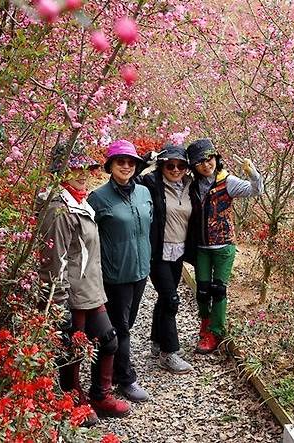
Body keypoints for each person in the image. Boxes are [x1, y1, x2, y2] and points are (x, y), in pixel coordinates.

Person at [37, 143, 130, 423]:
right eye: (74, 168)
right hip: (71, 295)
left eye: (85, 168)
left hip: (91, 291)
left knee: (108, 342)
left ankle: (99, 395)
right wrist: (59, 305)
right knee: (74, 350)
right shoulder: (58, 210)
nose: (82, 173)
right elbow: (54, 260)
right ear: (60, 171)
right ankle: (72, 400)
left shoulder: (80, 201)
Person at [87, 139, 153, 403]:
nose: (126, 166)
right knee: (121, 329)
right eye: (120, 162)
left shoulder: (143, 193)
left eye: (130, 162)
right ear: (110, 165)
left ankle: (112, 368)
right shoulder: (98, 198)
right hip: (114, 276)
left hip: (140, 272)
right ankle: (126, 378)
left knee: (127, 323)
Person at [185, 138, 263, 353]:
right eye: (199, 161)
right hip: (201, 247)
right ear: (193, 165)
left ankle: (216, 331)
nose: (206, 164)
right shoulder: (191, 185)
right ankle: (205, 327)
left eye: (209, 158)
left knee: (218, 290)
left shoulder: (226, 182)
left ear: (215, 158)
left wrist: (253, 173)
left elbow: (255, 190)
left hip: (223, 246)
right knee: (202, 291)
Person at [138, 143, 194, 374]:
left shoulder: (189, 185)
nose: (175, 169)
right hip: (157, 252)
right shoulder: (151, 183)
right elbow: (128, 178)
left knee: (165, 297)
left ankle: (157, 341)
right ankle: (169, 353)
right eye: (169, 164)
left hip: (178, 250)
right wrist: (145, 160)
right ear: (161, 165)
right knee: (171, 299)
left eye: (180, 165)